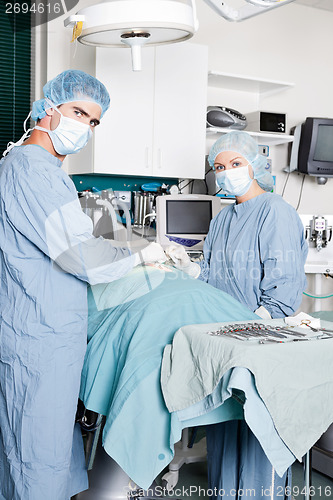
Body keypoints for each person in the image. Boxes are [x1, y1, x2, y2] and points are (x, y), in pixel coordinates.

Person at [0, 69, 165, 500]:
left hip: (41, 329)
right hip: (37, 335)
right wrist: (142, 253)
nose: (86, 128)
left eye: (93, 122)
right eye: (78, 112)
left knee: (44, 441)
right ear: (49, 109)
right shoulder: (31, 171)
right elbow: (80, 255)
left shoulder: (35, 169)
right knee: (35, 450)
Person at [166, 130, 308, 499]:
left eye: (235, 164)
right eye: (219, 166)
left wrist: (252, 329)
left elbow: (283, 292)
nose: (226, 172)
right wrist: (190, 268)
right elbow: (213, 276)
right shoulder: (224, 219)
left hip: (263, 338)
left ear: (256, 165)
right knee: (227, 428)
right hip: (226, 338)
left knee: (260, 432)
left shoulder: (276, 213)